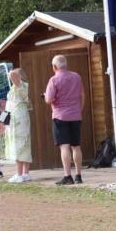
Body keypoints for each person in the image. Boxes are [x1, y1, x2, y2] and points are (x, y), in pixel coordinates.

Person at [44, 54, 85, 185]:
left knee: (64, 147)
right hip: (75, 115)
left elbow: (49, 99)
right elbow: (82, 94)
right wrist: (79, 109)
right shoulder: (77, 77)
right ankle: (78, 175)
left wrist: (45, 96)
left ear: (54, 67)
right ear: (65, 65)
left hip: (60, 116)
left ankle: (68, 176)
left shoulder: (54, 80)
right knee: (76, 146)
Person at [5, 68, 33, 183]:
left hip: (18, 118)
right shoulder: (22, 85)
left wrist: (12, 71)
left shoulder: (20, 84)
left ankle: (19, 174)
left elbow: (11, 74)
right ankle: (25, 173)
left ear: (19, 76)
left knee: (19, 143)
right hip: (20, 116)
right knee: (24, 143)